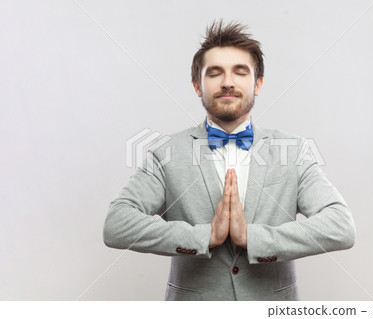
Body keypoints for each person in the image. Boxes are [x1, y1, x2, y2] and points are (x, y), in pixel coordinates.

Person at [103, 20, 356, 301]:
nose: (227, 82)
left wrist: (253, 238)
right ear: (197, 86)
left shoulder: (293, 152)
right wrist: (203, 237)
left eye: (240, 72)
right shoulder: (165, 153)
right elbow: (117, 224)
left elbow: (340, 227)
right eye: (214, 73)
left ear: (257, 84)